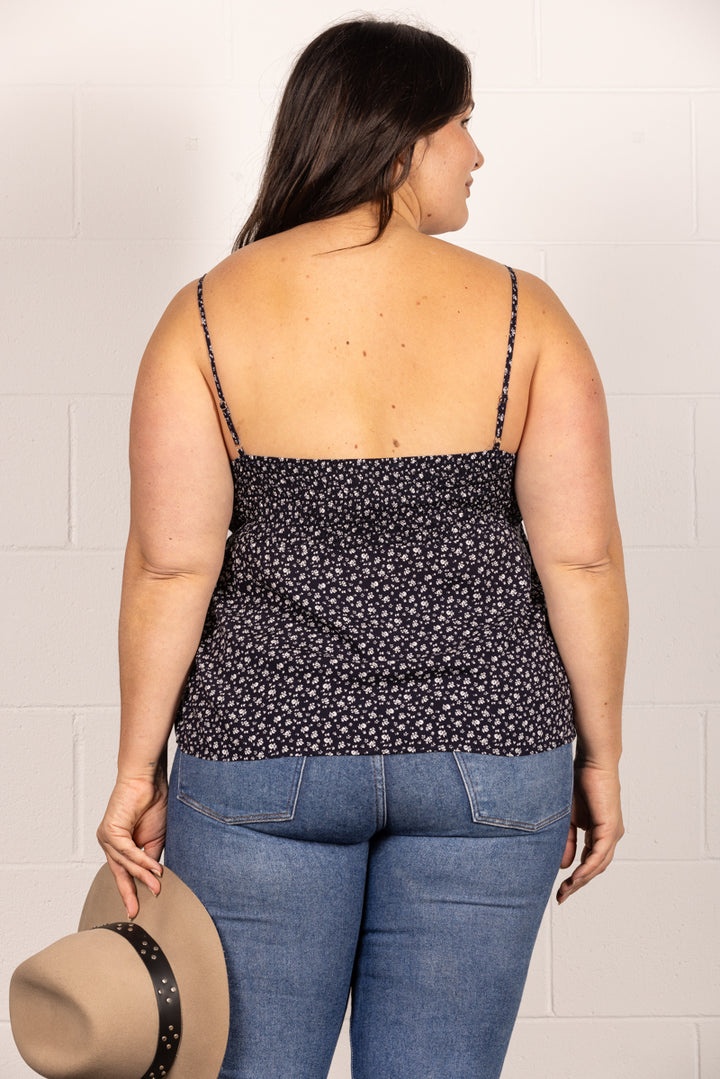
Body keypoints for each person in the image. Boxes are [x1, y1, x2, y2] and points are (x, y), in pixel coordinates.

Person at [97, 18, 628, 1079]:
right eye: (462, 123)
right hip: (490, 755)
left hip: (261, 753)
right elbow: (581, 561)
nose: (477, 153)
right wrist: (600, 756)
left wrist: (135, 769)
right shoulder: (526, 313)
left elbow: (170, 564)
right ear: (399, 138)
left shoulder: (205, 314)